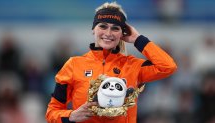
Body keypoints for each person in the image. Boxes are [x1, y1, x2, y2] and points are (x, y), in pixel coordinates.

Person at [45, 2, 177, 123]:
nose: (108, 33)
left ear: (122, 34)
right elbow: (52, 113)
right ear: (93, 29)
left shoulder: (132, 66)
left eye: (115, 28)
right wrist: (71, 116)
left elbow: (168, 66)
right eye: (103, 26)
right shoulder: (74, 65)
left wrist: (138, 39)